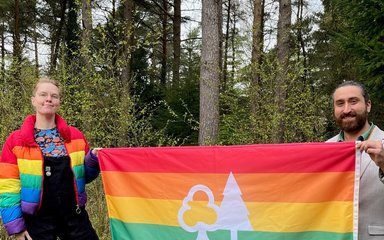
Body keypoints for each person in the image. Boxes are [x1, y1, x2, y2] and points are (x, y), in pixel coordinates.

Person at [0, 77, 101, 240]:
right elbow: (7, 189)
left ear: (59, 102)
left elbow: (85, 177)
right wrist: (16, 228)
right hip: (37, 221)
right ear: (33, 100)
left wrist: (93, 159)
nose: (49, 99)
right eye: (43, 94)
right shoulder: (15, 141)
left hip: (75, 218)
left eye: (54, 96)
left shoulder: (76, 136)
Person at [327, 80, 384, 239]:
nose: (346, 109)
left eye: (353, 101)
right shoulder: (324, 149)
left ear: (368, 105)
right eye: (340, 103)